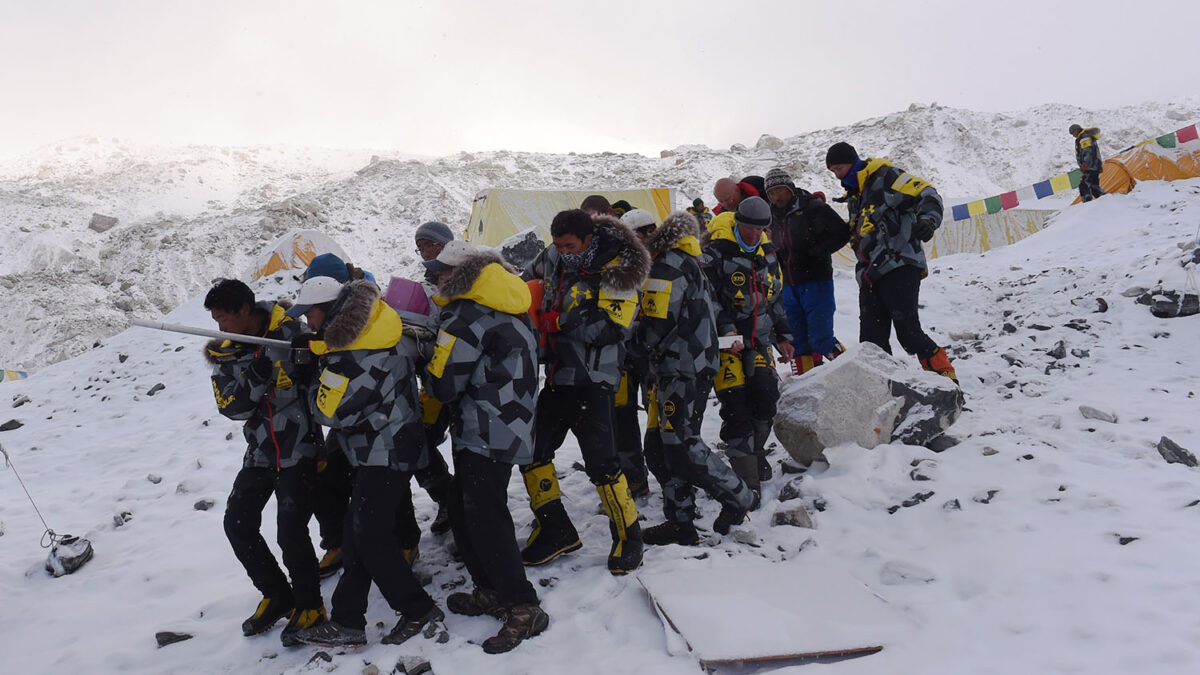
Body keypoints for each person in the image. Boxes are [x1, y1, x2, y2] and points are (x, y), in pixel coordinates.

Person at [288, 277, 445, 648]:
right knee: (358, 535)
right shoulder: (371, 332)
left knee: (370, 537)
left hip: (384, 453)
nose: (306, 322)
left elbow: (330, 411)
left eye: (309, 314)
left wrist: (309, 375)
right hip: (387, 446)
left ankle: (419, 611)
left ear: (327, 311)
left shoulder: (357, 357)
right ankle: (348, 619)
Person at [422, 240, 550, 654]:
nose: (434, 280)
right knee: (465, 506)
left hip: (484, 427)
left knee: (486, 517)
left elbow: (444, 383)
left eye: (437, 273)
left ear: (456, 276)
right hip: (511, 419)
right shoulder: (506, 299)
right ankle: (490, 589)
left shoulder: (465, 314)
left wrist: (424, 353)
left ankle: (522, 604)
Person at [520, 209, 650, 575]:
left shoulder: (618, 268)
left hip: (596, 381)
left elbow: (612, 329)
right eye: (558, 245)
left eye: (570, 246)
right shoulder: (553, 256)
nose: (563, 252)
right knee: (532, 452)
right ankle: (555, 528)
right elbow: (524, 281)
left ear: (589, 240)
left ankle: (629, 537)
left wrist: (559, 322)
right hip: (560, 376)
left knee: (603, 465)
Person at [203, 279, 326, 646]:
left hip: (300, 449)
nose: (220, 326)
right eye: (214, 319)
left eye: (224, 317)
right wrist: (257, 372)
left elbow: (328, 381)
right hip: (259, 452)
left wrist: (308, 363)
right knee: (237, 523)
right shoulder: (227, 354)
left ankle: (311, 606)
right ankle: (276, 594)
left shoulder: (293, 333)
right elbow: (232, 408)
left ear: (245, 309)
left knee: (290, 530)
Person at [635, 211, 755, 544]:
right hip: (683, 364)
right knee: (661, 447)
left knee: (682, 444)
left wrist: (622, 342)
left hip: (682, 368)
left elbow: (654, 328)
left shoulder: (665, 267)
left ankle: (739, 496)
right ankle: (680, 522)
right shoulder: (682, 259)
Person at [825, 141, 957, 382]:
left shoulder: (886, 177)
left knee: (908, 333)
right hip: (869, 274)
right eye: (832, 171)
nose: (837, 175)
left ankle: (947, 381)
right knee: (871, 343)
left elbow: (927, 193)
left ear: (853, 162)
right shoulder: (854, 197)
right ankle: (884, 390)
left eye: (839, 168)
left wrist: (928, 220)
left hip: (899, 263)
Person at [701, 196, 793, 506]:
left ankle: (754, 452)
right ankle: (747, 483)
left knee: (766, 399)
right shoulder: (716, 253)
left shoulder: (767, 254)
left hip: (759, 342)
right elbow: (708, 298)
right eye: (747, 228)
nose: (754, 235)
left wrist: (784, 335)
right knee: (737, 409)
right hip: (727, 346)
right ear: (737, 223)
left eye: (760, 229)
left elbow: (774, 297)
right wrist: (726, 327)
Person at [763, 168, 851, 375]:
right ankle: (804, 383)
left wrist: (815, 252)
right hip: (787, 284)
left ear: (790, 188)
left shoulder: (812, 207)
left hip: (816, 280)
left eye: (779, 191)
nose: (776, 197)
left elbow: (841, 233)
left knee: (821, 337)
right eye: (772, 193)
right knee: (797, 339)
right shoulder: (770, 216)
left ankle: (853, 370)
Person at [1070, 124, 1105, 203]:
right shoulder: (1085, 137)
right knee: (1093, 185)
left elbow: (1087, 151)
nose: (1073, 135)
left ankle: (1087, 201)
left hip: (1090, 166)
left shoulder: (1084, 137)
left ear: (1077, 130)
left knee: (1084, 184)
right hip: (1093, 165)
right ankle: (1103, 199)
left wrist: (1085, 163)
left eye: (1073, 133)